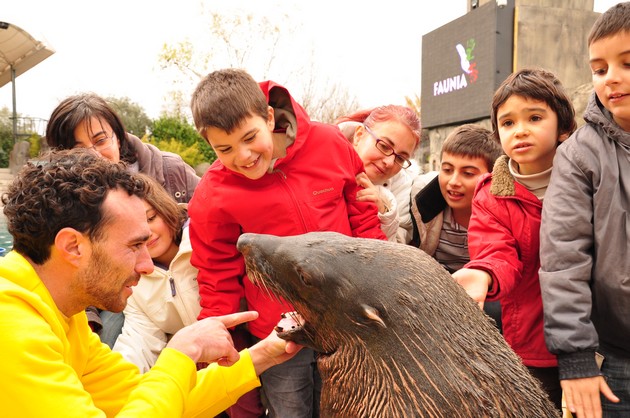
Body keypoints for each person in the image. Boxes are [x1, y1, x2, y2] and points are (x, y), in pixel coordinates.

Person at [0, 148, 301, 417]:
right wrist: (180, 354)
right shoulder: (11, 329)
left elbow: (153, 401)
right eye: (133, 246)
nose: (146, 266)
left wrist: (261, 355)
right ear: (72, 246)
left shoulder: (64, 312)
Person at [188, 68, 387, 418]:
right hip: (278, 335)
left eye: (250, 137)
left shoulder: (329, 143)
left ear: (268, 116)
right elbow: (217, 277)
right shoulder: (212, 196)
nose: (244, 155)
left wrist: (380, 289)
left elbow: (363, 216)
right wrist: (224, 350)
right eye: (225, 148)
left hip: (347, 319)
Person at [451, 67, 577, 413]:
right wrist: (483, 273)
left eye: (534, 117)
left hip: (596, 337)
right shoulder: (492, 193)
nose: (520, 130)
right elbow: (495, 249)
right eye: (507, 123)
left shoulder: (588, 178)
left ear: (563, 126)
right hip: (533, 341)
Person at [44, 92, 201, 347]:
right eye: (79, 149)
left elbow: (214, 214)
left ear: (118, 137)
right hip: (127, 297)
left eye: (100, 140)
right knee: (107, 340)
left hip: (188, 280)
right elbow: (70, 274)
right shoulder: (65, 203)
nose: (94, 156)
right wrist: (89, 323)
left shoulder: (168, 169)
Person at [539, 3, 630, 417]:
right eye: (599, 68)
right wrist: (576, 360)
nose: (611, 76)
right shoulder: (578, 155)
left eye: (627, 62)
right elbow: (563, 259)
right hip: (616, 359)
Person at [409, 123, 504, 331]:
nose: (453, 181)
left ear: (491, 177)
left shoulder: (504, 212)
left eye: (468, 173)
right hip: (437, 290)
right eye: (447, 170)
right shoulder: (424, 203)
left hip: (485, 294)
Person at [112, 173, 200, 373]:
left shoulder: (202, 240)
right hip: (194, 365)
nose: (146, 233)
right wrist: (117, 379)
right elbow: (140, 339)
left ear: (164, 208)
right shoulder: (134, 280)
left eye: (150, 218)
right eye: (130, 229)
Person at [335, 105, 421, 243]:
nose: (389, 162)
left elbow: (398, 251)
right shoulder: (324, 155)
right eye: (384, 146)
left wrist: (384, 211)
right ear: (359, 135)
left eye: (400, 158)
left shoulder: (402, 186)